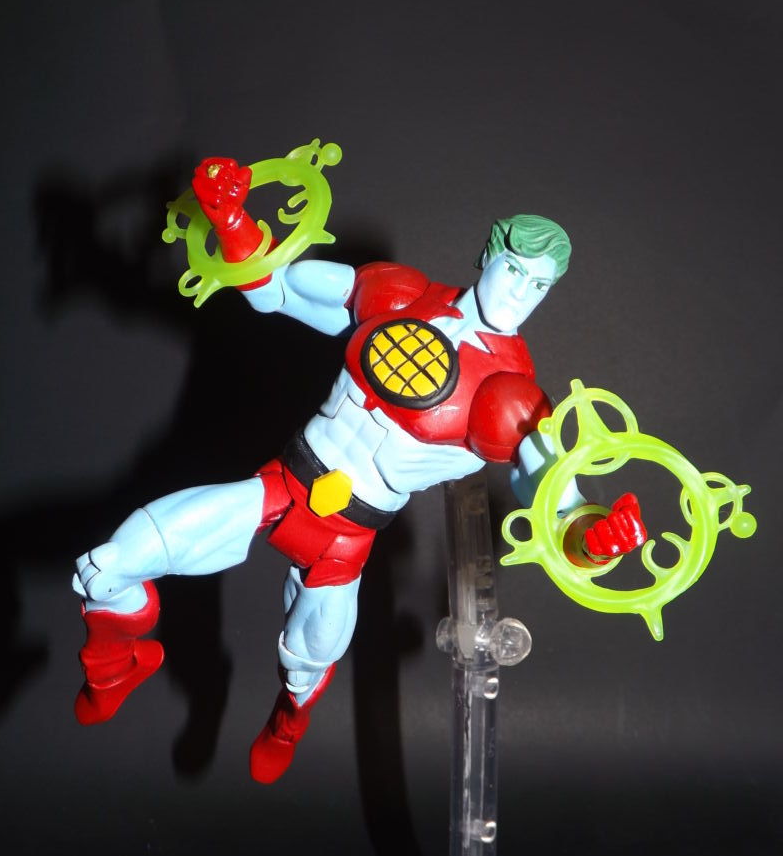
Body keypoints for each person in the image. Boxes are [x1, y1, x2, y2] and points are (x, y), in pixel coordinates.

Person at [73, 158, 645, 783]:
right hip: (282, 485)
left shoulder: (514, 397)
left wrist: (594, 540)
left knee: (305, 663)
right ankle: (114, 667)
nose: (519, 292)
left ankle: (287, 722)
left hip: (345, 541)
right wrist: (230, 219)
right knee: (106, 567)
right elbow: (275, 289)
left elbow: (556, 498)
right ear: (487, 256)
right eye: (513, 269)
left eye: (538, 285)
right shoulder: (399, 296)